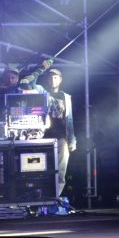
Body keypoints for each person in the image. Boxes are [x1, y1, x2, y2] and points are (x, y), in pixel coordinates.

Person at [41, 68, 77, 201]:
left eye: (55, 77)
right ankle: (43, 197)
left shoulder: (66, 97)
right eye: (50, 77)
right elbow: (29, 84)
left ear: (60, 80)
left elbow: (69, 119)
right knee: (44, 168)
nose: (52, 80)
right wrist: (40, 68)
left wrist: (72, 140)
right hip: (44, 137)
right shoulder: (42, 93)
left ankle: (55, 197)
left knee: (61, 169)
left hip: (61, 137)